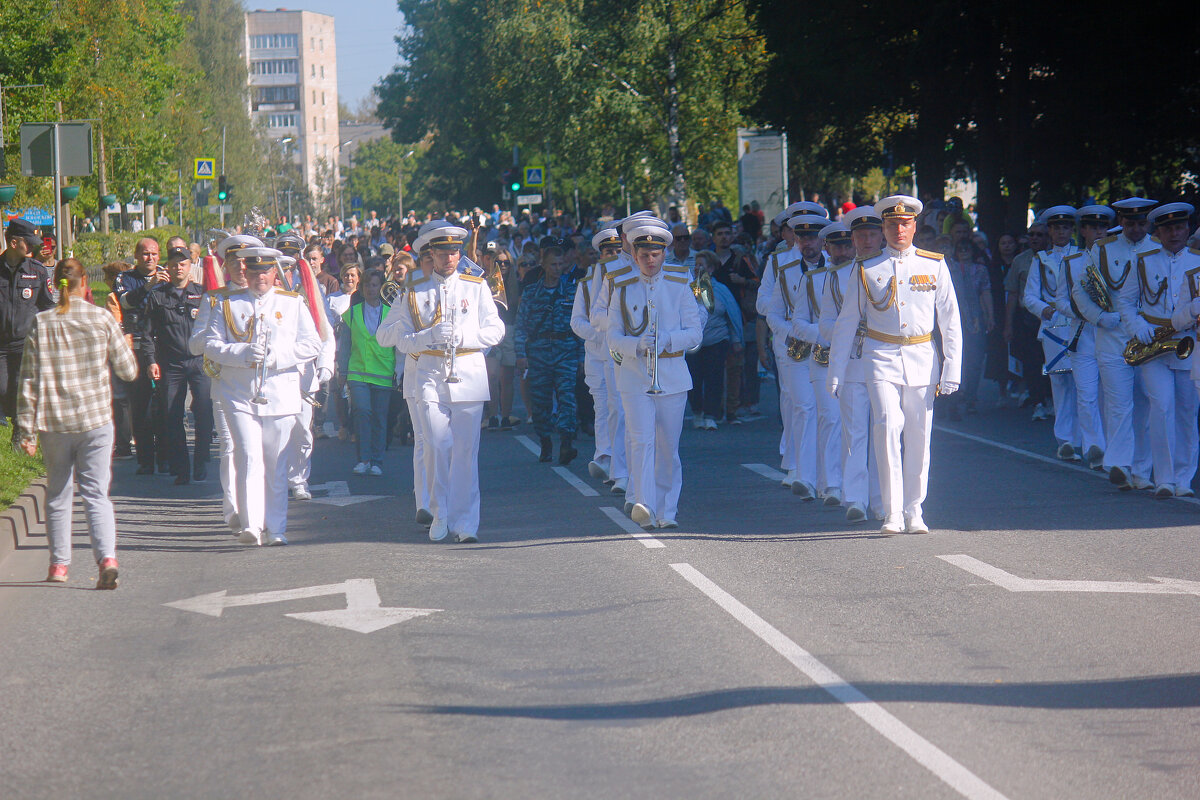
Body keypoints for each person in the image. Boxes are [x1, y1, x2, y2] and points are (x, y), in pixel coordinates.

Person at [828, 195, 963, 534]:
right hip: (880, 355)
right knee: (887, 425)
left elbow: (949, 320)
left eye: (904, 224)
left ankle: (914, 509)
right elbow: (847, 322)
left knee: (919, 433)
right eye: (891, 224)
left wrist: (952, 367)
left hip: (921, 356)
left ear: (915, 226)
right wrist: (836, 371)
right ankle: (891, 511)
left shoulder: (933, 264)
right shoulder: (867, 267)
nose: (898, 229)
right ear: (884, 228)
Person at [376, 222, 504, 543]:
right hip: (429, 376)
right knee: (435, 444)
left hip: (469, 376)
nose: (450, 257)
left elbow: (496, 330)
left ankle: (466, 524)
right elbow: (390, 337)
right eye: (443, 252)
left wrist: (465, 336)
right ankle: (439, 511)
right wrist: (426, 336)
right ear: (430, 254)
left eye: (455, 251)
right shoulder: (414, 289)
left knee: (465, 453)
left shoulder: (475, 286)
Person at [16, 258, 137, 587]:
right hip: (96, 419)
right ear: (86, 283)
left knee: (57, 495)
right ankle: (107, 558)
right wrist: (125, 347)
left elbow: (28, 382)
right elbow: (128, 371)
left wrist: (26, 432)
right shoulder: (101, 318)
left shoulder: (42, 323)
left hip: (54, 422)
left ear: (55, 285)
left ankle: (59, 566)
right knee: (97, 494)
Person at [203, 247, 322, 546]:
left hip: (280, 393)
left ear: (274, 273)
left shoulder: (292, 303)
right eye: (254, 273)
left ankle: (277, 528)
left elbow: (312, 344)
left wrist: (278, 357)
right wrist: (241, 353)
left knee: (276, 463)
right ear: (246, 273)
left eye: (265, 272)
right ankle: (252, 525)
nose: (259, 278)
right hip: (239, 394)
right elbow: (210, 345)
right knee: (248, 456)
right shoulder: (228, 303)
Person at [606, 221, 702, 529]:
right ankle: (644, 504)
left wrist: (668, 340)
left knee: (667, 447)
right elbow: (612, 337)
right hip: (634, 376)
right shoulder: (620, 284)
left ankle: (667, 511)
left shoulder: (679, 282)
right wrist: (637, 344)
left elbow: (695, 332)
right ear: (634, 254)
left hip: (672, 375)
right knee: (641, 440)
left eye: (656, 255)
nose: (651, 261)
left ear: (664, 255)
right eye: (645, 254)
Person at [1072, 197, 1158, 490]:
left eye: (1140, 223)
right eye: (1129, 223)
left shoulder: (1157, 247)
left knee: (1146, 403)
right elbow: (1081, 290)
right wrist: (1098, 317)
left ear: (1147, 223)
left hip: (1148, 338)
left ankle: (1142, 471)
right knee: (1118, 403)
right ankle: (1120, 463)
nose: (1135, 228)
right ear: (1121, 222)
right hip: (1112, 337)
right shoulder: (1102, 248)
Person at [1128, 202, 1199, 497]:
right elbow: (1125, 301)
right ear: (1158, 231)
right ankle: (1165, 478)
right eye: (1167, 228)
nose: (1174, 233)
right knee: (1162, 406)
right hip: (1153, 341)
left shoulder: (1197, 261)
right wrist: (1136, 326)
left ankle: (1184, 477)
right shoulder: (1144, 260)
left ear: (1187, 229)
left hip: (1187, 342)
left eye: (1179, 227)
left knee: (1186, 410)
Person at [189, 234, 258, 533]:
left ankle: (255, 507)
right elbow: (194, 345)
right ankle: (233, 508)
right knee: (230, 447)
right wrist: (218, 340)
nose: (241, 268)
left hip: (259, 386)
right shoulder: (214, 299)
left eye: (245, 262)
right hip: (226, 385)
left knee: (258, 450)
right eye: (234, 262)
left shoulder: (266, 296)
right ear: (226, 265)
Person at [128, 246, 212, 485]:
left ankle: (201, 461)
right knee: (172, 415)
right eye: (174, 264)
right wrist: (151, 361)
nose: (178, 268)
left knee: (204, 412)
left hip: (199, 361)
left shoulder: (202, 294)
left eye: (183, 264)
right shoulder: (158, 295)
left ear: (190, 267)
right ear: (169, 267)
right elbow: (147, 333)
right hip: (171, 363)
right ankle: (181, 467)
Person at [825, 206, 885, 522]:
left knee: (885, 432)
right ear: (852, 238)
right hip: (851, 362)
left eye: (872, 233)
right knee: (855, 434)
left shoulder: (892, 268)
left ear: (881, 236)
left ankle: (881, 499)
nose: (866, 240)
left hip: (884, 361)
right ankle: (856, 499)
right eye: (860, 235)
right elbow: (825, 324)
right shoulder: (835, 276)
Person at [794, 220, 849, 505]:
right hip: (824, 357)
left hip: (859, 357)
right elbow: (799, 322)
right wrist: (826, 336)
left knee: (857, 423)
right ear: (826, 248)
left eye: (846, 244)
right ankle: (832, 485)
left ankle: (854, 482)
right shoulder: (813, 279)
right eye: (836, 245)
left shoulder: (864, 274)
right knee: (830, 418)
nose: (842, 251)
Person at [517, 239, 582, 464]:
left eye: (560, 264)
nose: (557, 269)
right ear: (544, 265)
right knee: (541, 401)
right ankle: (545, 441)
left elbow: (580, 326)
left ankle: (566, 442)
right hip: (539, 352)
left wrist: (582, 357)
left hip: (566, 350)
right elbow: (522, 324)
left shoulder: (572, 292)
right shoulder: (531, 293)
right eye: (553, 264)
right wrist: (521, 355)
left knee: (567, 398)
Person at [1058, 206, 1113, 470]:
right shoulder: (1071, 262)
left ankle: (1113, 447)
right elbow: (1060, 299)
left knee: (1111, 393)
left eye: (1103, 227)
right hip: (1083, 333)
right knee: (1087, 393)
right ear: (1083, 231)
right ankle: (1095, 447)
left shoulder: (1117, 259)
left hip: (1112, 333)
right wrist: (1082, 312)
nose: (1099, 232)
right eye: (1093, 228)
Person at [1023, 206, 1080, 457]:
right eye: (1056, 228)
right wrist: (1044, 310)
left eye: (1065, 227)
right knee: (1059, 382)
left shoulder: (1082, 255)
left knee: (1083, 383)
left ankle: (1086, 438)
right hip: (1053, 326)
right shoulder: (1041, 259)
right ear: (1050, 230)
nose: (1060, 232)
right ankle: (1065, 440)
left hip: (1079, 325)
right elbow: (1029, 296)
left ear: (1072, 229)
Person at [572, 229, 622, 477]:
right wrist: (598, 334)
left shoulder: (628, 280)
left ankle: (618, 460)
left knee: (618, 407)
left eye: (617, 251)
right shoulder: (587, 284)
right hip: (596, 354)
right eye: (608, 252)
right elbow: (576, 321)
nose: (612, 255)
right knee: (601, 406)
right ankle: (604, 455)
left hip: (621, 356)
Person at [1, 219, 55, 446]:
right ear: (14, 243)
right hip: (1, 344)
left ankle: (18, 433)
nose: (33, 248)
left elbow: (48, 306)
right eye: (28, 243)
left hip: (26, 342)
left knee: (22, 389)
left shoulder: (37, 271)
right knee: (3, 386)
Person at [339, 269, 394, 476]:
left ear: (381, 287)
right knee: (362, 412)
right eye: (368, 285)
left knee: (380, 417)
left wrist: (399, 371)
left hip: (383, 372)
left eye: (375, 285)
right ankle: (363, 459)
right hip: (358, 372)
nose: (371, 289)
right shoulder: (352, 312)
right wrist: (342, 371)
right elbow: (345, 344)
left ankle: (377, 461)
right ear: (362, 288)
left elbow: (397, 345)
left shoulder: (390, 313)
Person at [686, 250, 742, 430]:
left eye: (701, 265)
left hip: (717, 340)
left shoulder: (721, 290)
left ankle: (711, 415)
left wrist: (736, 340)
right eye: (696, 264)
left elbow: (732, 315)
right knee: (693, 379)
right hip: (692, 343)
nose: (697, 268)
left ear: (711, 268)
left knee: (714, 379)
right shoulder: (686, 288)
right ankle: (697, 412)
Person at [946, 239, 994, 418]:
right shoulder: (950, 268)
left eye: (967, 248)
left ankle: (971, 397)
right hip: (953, 316)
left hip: (974, 316)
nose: (964, 251)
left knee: (974, 360)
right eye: (960, 248)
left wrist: (990, 315)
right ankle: (955, 397)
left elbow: (986, 292)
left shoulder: (980, 269)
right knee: (955, 358)